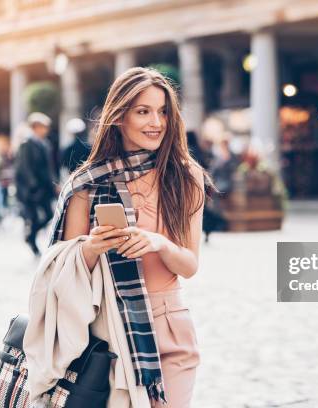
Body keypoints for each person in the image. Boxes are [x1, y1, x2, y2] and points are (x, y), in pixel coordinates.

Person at [46, 67, 210, 407]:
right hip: (107, 332)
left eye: (163, 111)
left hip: (170, 326)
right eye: (143, 111)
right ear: (120, 117)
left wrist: (159, 243)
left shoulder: (185, 175)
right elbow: (62, 268)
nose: (157, 122)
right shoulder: (87, 184)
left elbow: (190, 265)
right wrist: (92, 247)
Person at [14, 112, 56, 255]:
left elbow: (49, 168)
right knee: (33, 217)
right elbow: (24, 167)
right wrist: (32, 185)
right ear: (36, 127)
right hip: (31, 189)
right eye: (44, 127)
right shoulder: (27, 144)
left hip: (44, 187)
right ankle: (32, 241)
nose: (46, 130)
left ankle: (30, 236)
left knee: (49, 215)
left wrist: (54, 183)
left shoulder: (45, 144)